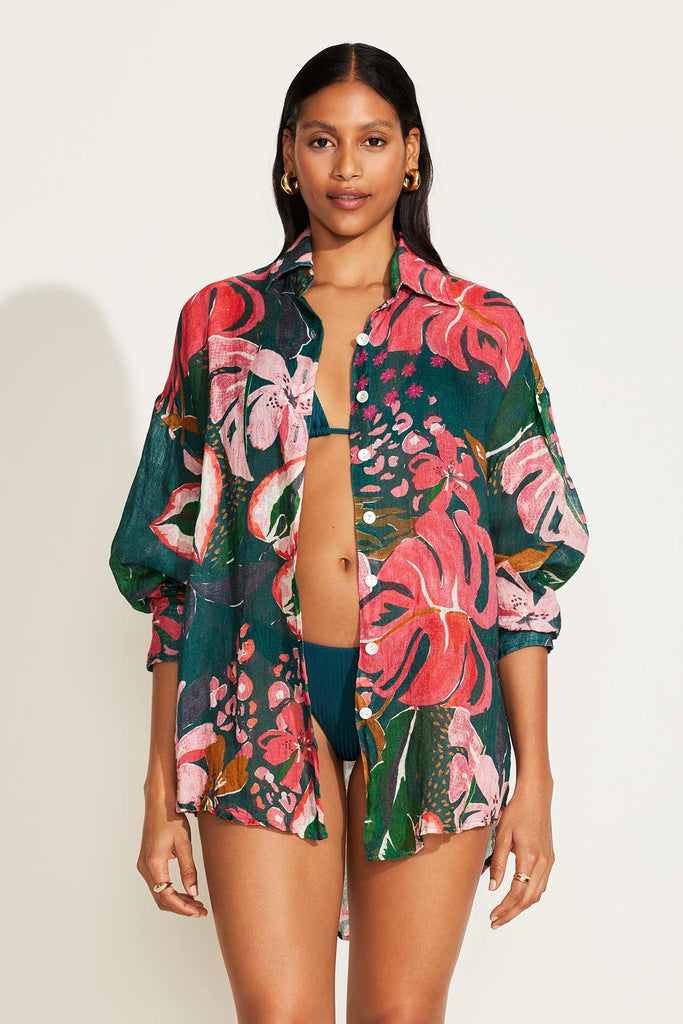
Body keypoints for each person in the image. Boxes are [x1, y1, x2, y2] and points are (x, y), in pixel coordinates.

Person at [109, 41, 589, 1024]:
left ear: (410, 155)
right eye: (321, 140)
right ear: (289, 155)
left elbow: (523, 572)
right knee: (277, 1015)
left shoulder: (477, 328)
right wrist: (159, 789)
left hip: (435, 705)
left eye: (372, 141)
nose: (345, 167)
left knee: (399, 1016)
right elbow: (173, 571)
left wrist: (534, 783)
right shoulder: (222, 321)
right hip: (251, 700)